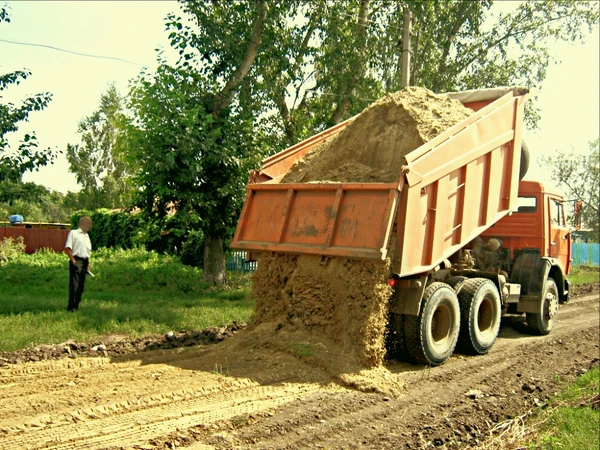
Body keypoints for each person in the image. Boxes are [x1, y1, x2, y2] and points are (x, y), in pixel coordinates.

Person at [64, 216, 93, 312]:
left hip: (85, 262)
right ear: (83, 224)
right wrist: (73, 261)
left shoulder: (87, 236)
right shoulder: (74, 233)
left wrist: (88, 265)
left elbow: (87, 252)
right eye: (88, 223)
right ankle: (71, 307)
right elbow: (67, 248)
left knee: (81, 286)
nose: (90, 226)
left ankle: (76, 305)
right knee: (74, 285)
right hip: (76, 260)